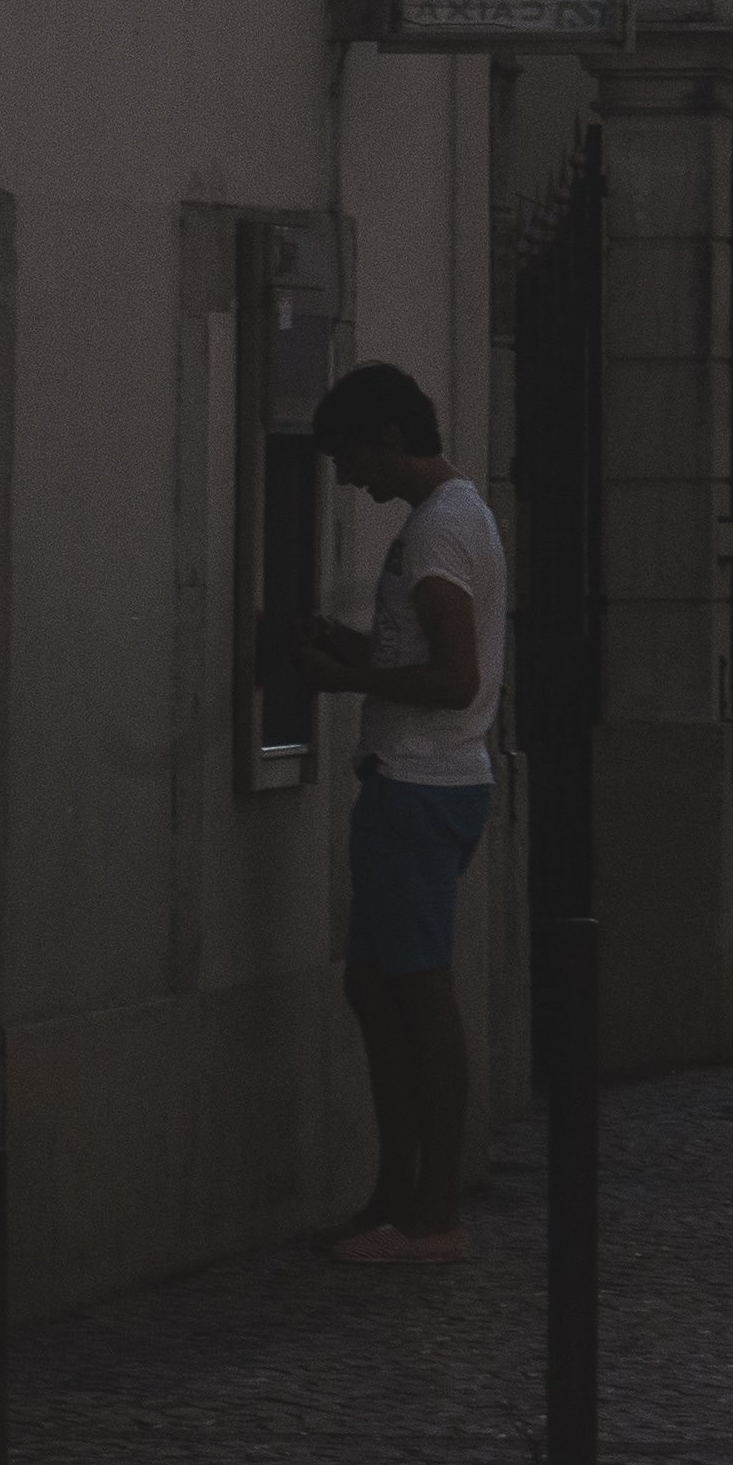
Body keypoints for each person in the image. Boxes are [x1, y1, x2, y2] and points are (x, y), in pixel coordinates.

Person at [266, 362, 500, 1265]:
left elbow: (452, 680)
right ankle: (394, 1194)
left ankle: (431, 1214)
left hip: (420, 782)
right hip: (415, 779)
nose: (347, 478)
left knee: (419, 995)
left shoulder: (440, 532)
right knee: (376, 986)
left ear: (392, 440)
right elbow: (425, 656)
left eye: (353, 457)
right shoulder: (451, 520)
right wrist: (349, 646)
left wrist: (348, 678)